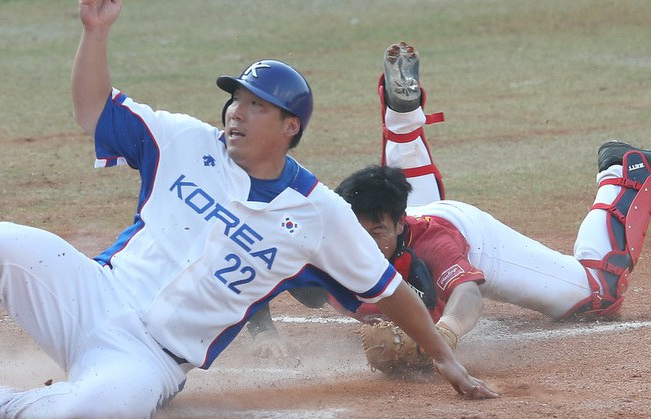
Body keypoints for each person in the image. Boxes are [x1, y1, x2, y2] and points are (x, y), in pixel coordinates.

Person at [0, 5, 496, 419]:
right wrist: (94, 35)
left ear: (289, 126)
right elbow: (92, 112)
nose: (237, 112)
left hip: (148, 359)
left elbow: (386, 293)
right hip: (91, 293)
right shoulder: (184, 140)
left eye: (256, 106)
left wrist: (446, 361)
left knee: (101, 410)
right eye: (235, 99)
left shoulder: (319, 213)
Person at [253, 41, 651, 353]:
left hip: (474, 237)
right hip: (411, 215)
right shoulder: (327, 238)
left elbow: (466, 294)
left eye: (376, 234)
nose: (364, 244)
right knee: (323, 277)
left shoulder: (432, 243)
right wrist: (264, 334)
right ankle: (403, 120)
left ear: (400, 226)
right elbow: (261, 260)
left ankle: (623, 171)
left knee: (600, 295)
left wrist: (446, 333)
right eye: (356, 232)